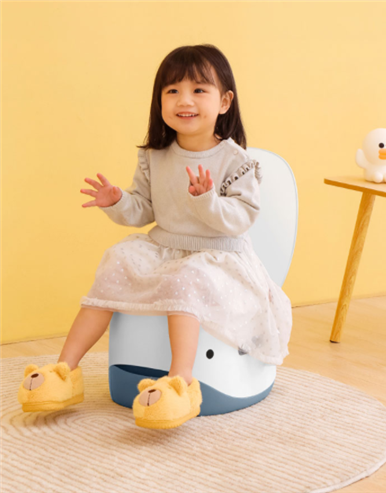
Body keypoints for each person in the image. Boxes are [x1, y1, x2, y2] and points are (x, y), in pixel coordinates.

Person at [17, 44, 293, 429]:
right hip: (165, 247)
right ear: (159, 100)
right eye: (172, 90)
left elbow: (240, 218)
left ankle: (180, 382)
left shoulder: (236, 161)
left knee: (186, 278)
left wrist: (207, 201)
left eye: (199, 90)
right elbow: (144, 209)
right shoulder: (155, 155)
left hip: (218, 255)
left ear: (224, 101)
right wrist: (118, 201)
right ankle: (65, 370)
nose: (185, 100)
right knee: (116, 260)